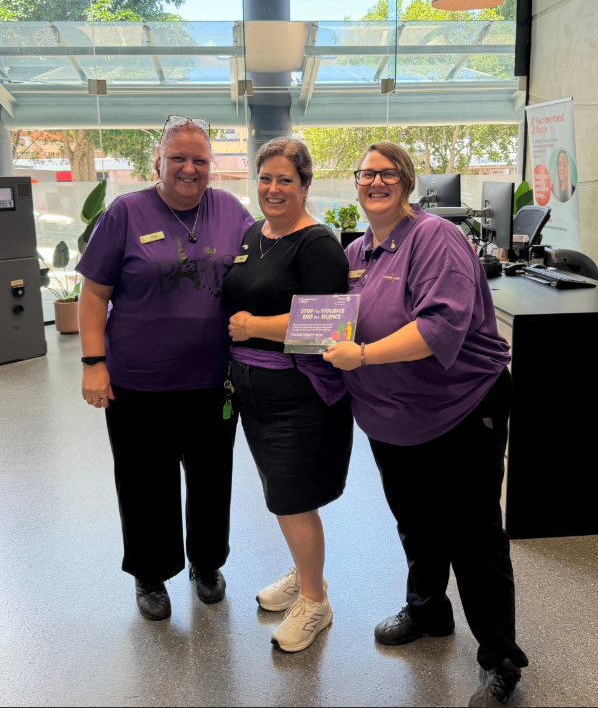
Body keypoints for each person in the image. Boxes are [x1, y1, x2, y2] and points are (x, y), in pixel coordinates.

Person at [324, 142, 529, 707]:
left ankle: (500, 659)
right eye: (366, 174)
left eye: (387, 173)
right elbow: (338, 322)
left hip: (460, 407)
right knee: (416, 522)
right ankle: (428, 611)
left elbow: (438, 327)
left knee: (473, 535)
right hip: (392, 417)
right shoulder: (358, 251)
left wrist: (362, 356)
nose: (374, 182)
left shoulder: (434, 237)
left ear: (408, 182)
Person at [76, 116, 253, 621]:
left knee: (212, 479)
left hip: (214, 382)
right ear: (158, 160)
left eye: (200, 159)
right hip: (138, 383)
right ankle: (150, 574)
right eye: (178, 157)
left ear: (211, 166)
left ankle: (207, 563)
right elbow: (94, 294)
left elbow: (259, 274)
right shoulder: (126, 213)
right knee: (144, 482)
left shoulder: (230, 211)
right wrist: (93, 364)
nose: (189, 168)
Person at [222, 137, 353, 653]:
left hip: (299, 393)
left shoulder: (317, 244)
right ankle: (304, 573)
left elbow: (329, 326)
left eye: (285, 180)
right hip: (254, 391)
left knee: (292, 500)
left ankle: (315, 602)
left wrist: (253, 325)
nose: (273, 189)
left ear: (305, 185)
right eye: (265, 178)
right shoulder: (253, 234)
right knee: (281, 495)